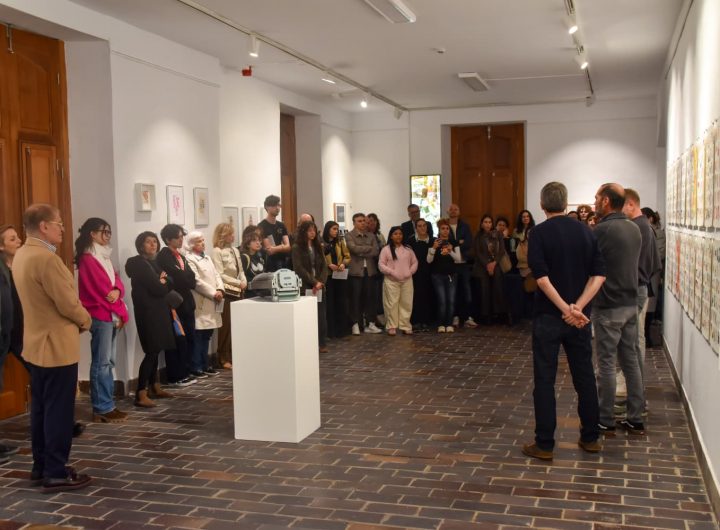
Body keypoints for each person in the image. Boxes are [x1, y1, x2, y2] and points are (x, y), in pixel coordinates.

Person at [521, 182, 606, 461]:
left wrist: (565, 309)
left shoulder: (538, 233)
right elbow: (599, 275)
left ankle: (545, 443)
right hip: (579, 320)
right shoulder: (586, 231)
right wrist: (578, 308)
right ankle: (590, 437)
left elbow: (542, 279)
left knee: (544, 379)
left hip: (548, 316)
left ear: (542, 204)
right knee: (584, 376)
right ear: (566, 202)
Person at [13, 203, 93, 492]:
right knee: (58, 411)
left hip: (36, 345)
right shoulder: (46, 259)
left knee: (41, 410)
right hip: (56, 346)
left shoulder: (22, 254)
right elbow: (67, 303)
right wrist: (86, 320)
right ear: (44, 226)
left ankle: (41, 466)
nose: (62, 228)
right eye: (58, 223)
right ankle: (56, 471)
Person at [592, 183, 645, 436]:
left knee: (606, 363)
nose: (594, 202)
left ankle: (605, 418)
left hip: (608, 305)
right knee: (630, 362)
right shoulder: (634, 228)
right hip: (630, 304)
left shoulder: (602, 230)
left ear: (606, 201)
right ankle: (636, 417)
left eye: (597, 198)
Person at [76, 218, 129, 423]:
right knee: (101, 362)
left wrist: (117, 290)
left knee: (108, 361)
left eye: (109, 232)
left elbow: (117, 282)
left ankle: (108, 404)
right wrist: (116, 301)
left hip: (110, 313)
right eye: (104, 232)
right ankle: (102, 407)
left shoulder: (104, 255)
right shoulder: (88, 258)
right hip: (101, 313)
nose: (107, 236)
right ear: (92, 234)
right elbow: (99, 290)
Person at [615, 189, 661, 411]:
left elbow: (640, 266)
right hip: (638, 289)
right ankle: (635, 394)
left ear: (631, 204)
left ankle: (634, 397)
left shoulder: (639, 227)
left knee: (632, 344)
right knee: (635, 342)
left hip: (635, 290)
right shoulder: (642, 226)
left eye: (621, 206)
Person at [125, 232, 176, 407]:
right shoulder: (139, 264)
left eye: (155, 241)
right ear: (141, 245)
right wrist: (161, 281)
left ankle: (154, 386)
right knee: (152, 351)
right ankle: (140, 392)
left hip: (159, 311)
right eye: (148, 242)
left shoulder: (154, 263)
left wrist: (162, 281)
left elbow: (170, 280)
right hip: (148, 313)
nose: (153, 244)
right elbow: (159, 288)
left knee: (157, 348)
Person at [157, 224, 197, 387]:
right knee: (177, 339)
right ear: (168, 239)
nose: (181, 240)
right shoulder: (164, 256)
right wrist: (185, 277)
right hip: (175, 303)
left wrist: (185, 277)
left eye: (182, 236)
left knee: (189, 337)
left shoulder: (181, 256)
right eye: (178, 237)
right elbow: (177, 277)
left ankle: (186, 370)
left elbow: (192, 278)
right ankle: (176, 375)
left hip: (187, 301)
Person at [185, 231, 223, 378]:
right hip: (201, 301)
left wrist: (220, 289)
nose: (202, 243)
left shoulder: (207, 257)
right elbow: (196, 281)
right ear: (191, 244)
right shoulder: (190, 259)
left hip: (213, 300)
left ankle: (205, 364)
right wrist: (213, 293)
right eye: (198, 241)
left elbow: (217, 275)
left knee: (207, 335)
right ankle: (196, 366)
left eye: (202, 240)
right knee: (198, 335)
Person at [0, 224, 24, 461]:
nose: (19, 241)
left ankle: (60, 424)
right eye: (12, 239)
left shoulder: (20, 265)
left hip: (19, 334)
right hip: (4, 333)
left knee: (42, 373)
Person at [211, 222, 246, 369]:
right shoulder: (217, 251)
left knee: (236, 326)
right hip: (227, 292)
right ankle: (223, 357)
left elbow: (241, 270)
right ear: (222, 235)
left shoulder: (235, 250)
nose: (233, 236)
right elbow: (220, 274)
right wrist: (238, 282)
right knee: (225, 326)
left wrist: (243, 280)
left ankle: (233, 354)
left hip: (239, 291)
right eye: (230, 234)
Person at [292, 221, 329, 352]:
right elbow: (299, 268)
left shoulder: (318, 246)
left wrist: (320, 282)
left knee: (321, 316)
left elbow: (324, 266)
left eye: (314, 230)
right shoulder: (296, 247)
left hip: (319, 286)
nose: (312, 233)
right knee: (307, 316)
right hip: (306, 286)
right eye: (309, 230)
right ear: (303, 232)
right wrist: (314, 282)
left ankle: (322, 343)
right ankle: (308, 343)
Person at [346, 213, 382, 335]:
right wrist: (367, 248)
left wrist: (361, 250)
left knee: (370, 298)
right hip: (356, 272)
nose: (362, 223)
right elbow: (353, 249)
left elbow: (376, 251)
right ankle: (355, 324)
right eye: (359, 221)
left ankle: (370, 323)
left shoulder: (371, 235)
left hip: (370, 271)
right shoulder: (349, 235)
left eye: (363, 221)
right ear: (354, 223)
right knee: (355, 298)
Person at [379, 226, 418, 335]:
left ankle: (405, 325)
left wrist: (410, 272)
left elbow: (415, 262)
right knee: (391, 304)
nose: (398, 236)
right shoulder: (386, 249)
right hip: (391, 281)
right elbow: (381, 264)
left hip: (407, 280)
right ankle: (391, 326)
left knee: (406, 303)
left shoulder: (408, 249)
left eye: (400, 234)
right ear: (391, 236)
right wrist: (392, 272)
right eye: (395, 234)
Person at [472, 214, 509, 324]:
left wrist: (494, 263)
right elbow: (478, 252)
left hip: (495, 265)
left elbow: (501, 250)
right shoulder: (478, 236)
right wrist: (487, 265)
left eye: (489, 222)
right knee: (485, 290)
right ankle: (485, 315)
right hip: (482, 266)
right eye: (485, 222)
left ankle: (498, 314)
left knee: (497, 289)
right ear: (481, 224)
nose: (488, 224)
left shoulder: (498, 234)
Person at [427, 218, 462, 333]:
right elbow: (429, 260)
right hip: (437, 276)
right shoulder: (434, 241)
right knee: (442, 301)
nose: (445, 230)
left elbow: (458, 259)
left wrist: (451, 251)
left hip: (451, 275)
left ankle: (449, 323)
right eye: (443, 228)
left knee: (451, 300)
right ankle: (441, 324)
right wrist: (433, 248)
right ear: (439, 229)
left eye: (447, 228)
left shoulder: (454, 242)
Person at [447, 204, 476, 328]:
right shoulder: (444, 225)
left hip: (464, 263)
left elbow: (468, 243)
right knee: (453, 292)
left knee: (466, 291)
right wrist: (459, 242)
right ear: (447, 212)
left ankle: (467, 317)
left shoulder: (465, 226)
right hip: (450, 263)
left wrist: (454, 244)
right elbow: (444, 242)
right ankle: (455, 316)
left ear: (459, 212)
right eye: (451, 209)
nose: (453, 211)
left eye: (456, 209)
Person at [322, 221, 351, 338]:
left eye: (337, 229)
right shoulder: (322, 243)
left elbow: (347, 256)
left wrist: (343, 264)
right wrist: (328, 265)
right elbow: (320, 258)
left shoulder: (339, 241)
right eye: (334, 229)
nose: (336, 231)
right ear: (328, 229)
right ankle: (331, 331)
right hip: (328, 275)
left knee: (341, 302)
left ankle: (342, 330)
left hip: (339, 274)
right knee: (330, 303)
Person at [408, 219, 434, 331]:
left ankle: (426, 321)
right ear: (416, 228)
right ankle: (415, 321)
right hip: (415, 273)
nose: (422, 228)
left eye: (424, 225)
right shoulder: (410, 241)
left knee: (427, 296)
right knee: (416, 296)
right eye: (419, 226)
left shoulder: (432, 241)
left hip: (429, 272)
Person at [258, 194, 291, 272]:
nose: (277, 208)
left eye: (278, 205)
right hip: (270, 264)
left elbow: (288, 247)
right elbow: (269, 250)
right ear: (267, 207)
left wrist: (277, 248)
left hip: (284, 262)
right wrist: (282, 247)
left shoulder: (281, 225)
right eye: (274, 205)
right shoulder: (262, 226)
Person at [366, 213, 386, 327]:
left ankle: (380, 316)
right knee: (371, 295)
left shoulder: (379, 235)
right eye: (369, 222)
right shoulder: (366, 236)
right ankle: (372, 318)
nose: (371, 223)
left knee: (380, 294)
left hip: (380, 269)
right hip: (370, 268)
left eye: (373, 221)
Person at [239, 226, 266, 298]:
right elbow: (242, 277)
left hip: (260, 294)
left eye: (259, 240)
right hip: (249, 295)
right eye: (254, 240)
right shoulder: (244, 257)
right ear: (248, 244)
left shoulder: (260, 257)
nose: (258, 243)